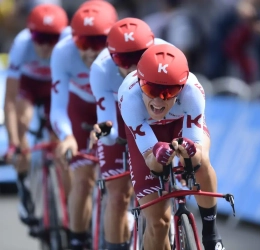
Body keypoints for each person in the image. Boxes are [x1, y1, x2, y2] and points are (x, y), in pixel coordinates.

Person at [117, 44, 225, 250]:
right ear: (139, 82)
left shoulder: (193, 92)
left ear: (182, 88)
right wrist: (158, 153)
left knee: (200, 163)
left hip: (179, 125)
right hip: (149, 132)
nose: (158, 100)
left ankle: (211, 235)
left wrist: (190, 152)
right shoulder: (129, 98)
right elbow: (152, 162)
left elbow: (196, 155)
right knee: (159, 223)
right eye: (150, 90)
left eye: (168, 92)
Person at [89, 17, 168, 249]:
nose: (133, 67)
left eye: (139, 57)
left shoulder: (167, 56)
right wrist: (106, 133)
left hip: (155, 117)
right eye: (124, 59)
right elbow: (108, 124)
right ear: (112, 57)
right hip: (118, 116)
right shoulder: (101, 69)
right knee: (117, 195)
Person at [49, 2, 118, 249]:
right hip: (80, 108)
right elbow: (57, 106)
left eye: (98, 42)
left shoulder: (124, 52)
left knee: (122, 184)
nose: (90, 51)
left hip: (113, 109)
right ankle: (78, 242)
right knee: (82, 179)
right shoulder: (62, 52)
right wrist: (66, 135)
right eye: (82, 43)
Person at [4, 3, 68, 226]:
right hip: (29, 86)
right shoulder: (22, 44)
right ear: (31, 34)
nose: (45, 45)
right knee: (22, 121)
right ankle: (24, 187)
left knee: (61, 144)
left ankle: (69, 209)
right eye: (39, 37)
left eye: (52, 38)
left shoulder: (69, 41)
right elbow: (10, 100)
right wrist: (14, 142)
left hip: (54, 88)